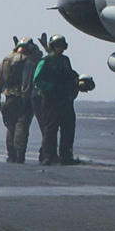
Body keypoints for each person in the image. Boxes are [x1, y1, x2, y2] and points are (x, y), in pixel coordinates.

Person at [32, 35, 81, 165]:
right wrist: (52, 87)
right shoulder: (45, 61)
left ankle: (66, 156)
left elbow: (69, 76)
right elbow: (37, 81)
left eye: (62, 45)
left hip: (65, 99)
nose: (60, 48)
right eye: (58, 45)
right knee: (50, 129)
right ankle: (48, 156)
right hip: (51, 100)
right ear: (53, 46)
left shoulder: (65, 60)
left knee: (68, 128)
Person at [0, 37, 41, 163]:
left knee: (10, 127)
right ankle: (19, 155)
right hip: (21, 98)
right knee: (21, 128)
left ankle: (11, 155)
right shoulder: (27, 61)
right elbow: (25, 84)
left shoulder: (5, 60)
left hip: (8, 99)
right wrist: (26, 101)